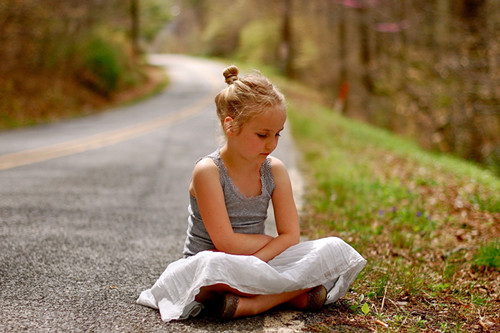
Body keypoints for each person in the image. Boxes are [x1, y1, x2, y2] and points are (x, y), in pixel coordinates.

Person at [137, 65, 366, 322]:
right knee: (213, 265)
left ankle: (254, 302)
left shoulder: (274, 170)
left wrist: (262, 260)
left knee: (334, 249)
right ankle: (284, 296)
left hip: (260, 260)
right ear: (231, 126)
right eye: (262, 135)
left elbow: (291, 235)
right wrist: (268, 253)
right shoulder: (208, 171)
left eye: (277, 134)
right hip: (214, 266)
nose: (271, 144)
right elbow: (226, 243)